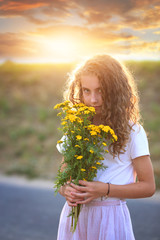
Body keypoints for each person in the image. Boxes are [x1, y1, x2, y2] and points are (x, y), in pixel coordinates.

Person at [56, 54, 155, 240]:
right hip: (75, 217)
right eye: (86, 90)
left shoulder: (132, 131)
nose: (93, 99)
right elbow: (63, 178)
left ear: (115, 91)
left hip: (110, 218)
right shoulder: (77, 128)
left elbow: (148, 187)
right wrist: (66, 190)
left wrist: (105, 189)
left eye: (100, 91)